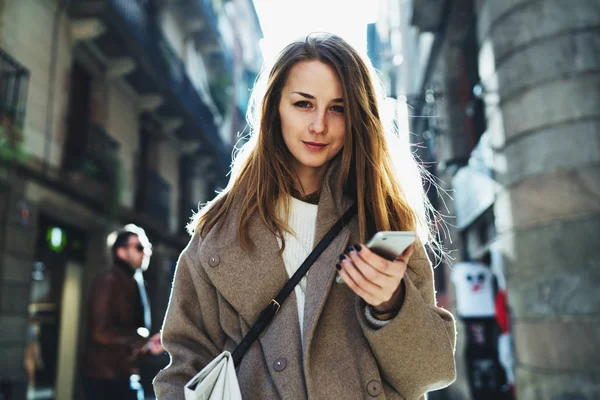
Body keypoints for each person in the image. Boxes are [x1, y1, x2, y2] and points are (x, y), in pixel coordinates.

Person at [154, 33, 456, 400]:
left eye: (338, 108)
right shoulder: (218, 234)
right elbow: (182, 372)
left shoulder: (384, 222)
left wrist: (391, 306)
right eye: (303, 104)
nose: (319, 125)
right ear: (275, 107)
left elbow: (433, 373)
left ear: (358, 117)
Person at [82, 224, 164, 400]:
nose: (147, 252)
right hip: (104, 381)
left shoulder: (134, 281)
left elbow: (127, 341)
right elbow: (101, 332)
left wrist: (149, 348)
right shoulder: (108, 282)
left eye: (147, 247)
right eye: (140, 247)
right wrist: (142, 338)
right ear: (121, 251)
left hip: (124, 377)